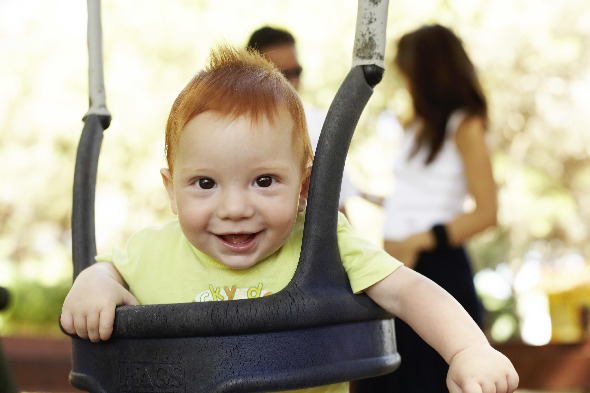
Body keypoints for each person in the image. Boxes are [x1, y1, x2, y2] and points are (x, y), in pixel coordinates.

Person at [60, 43, 518, 393]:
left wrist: (468, 349)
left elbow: (410, 291)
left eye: (263, 181)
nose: (235, 209)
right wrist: (94, 284)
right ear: (171, 191)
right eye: (205, 184)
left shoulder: (322, 242)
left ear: (304, 188)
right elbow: (107, 270)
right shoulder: (151, 249)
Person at [355, 25, 499, 393]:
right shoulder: (418, 127)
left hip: (438, 270)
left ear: (427, 71)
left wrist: (419, 241)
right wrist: (366, 196)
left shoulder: (465, 125)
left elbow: (486, 212)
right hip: (400, 268)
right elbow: (417, 197)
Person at [246, 26, 360, 211]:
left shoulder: (318, 124)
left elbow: (337, 209)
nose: (292, 82)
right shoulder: (229, 127)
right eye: (281, 75)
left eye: (297, 72)